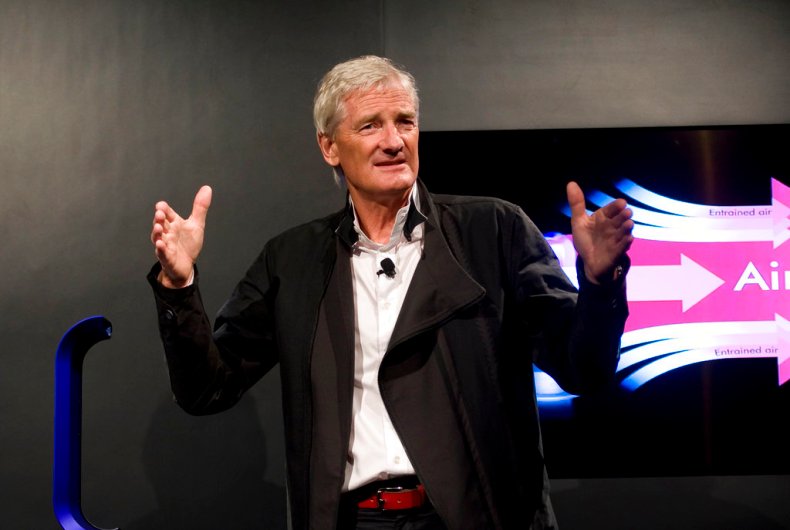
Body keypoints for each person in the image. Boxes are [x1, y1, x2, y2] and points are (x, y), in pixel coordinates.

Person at [148, 55, 633, 530]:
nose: (393, 141)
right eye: (370, 126)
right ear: (329, 147)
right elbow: (206, 388)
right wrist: (177, 286)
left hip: (476, 515)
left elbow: (582, 368)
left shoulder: (493, 230)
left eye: (405, 122)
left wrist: (599, 284)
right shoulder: (291, 260)